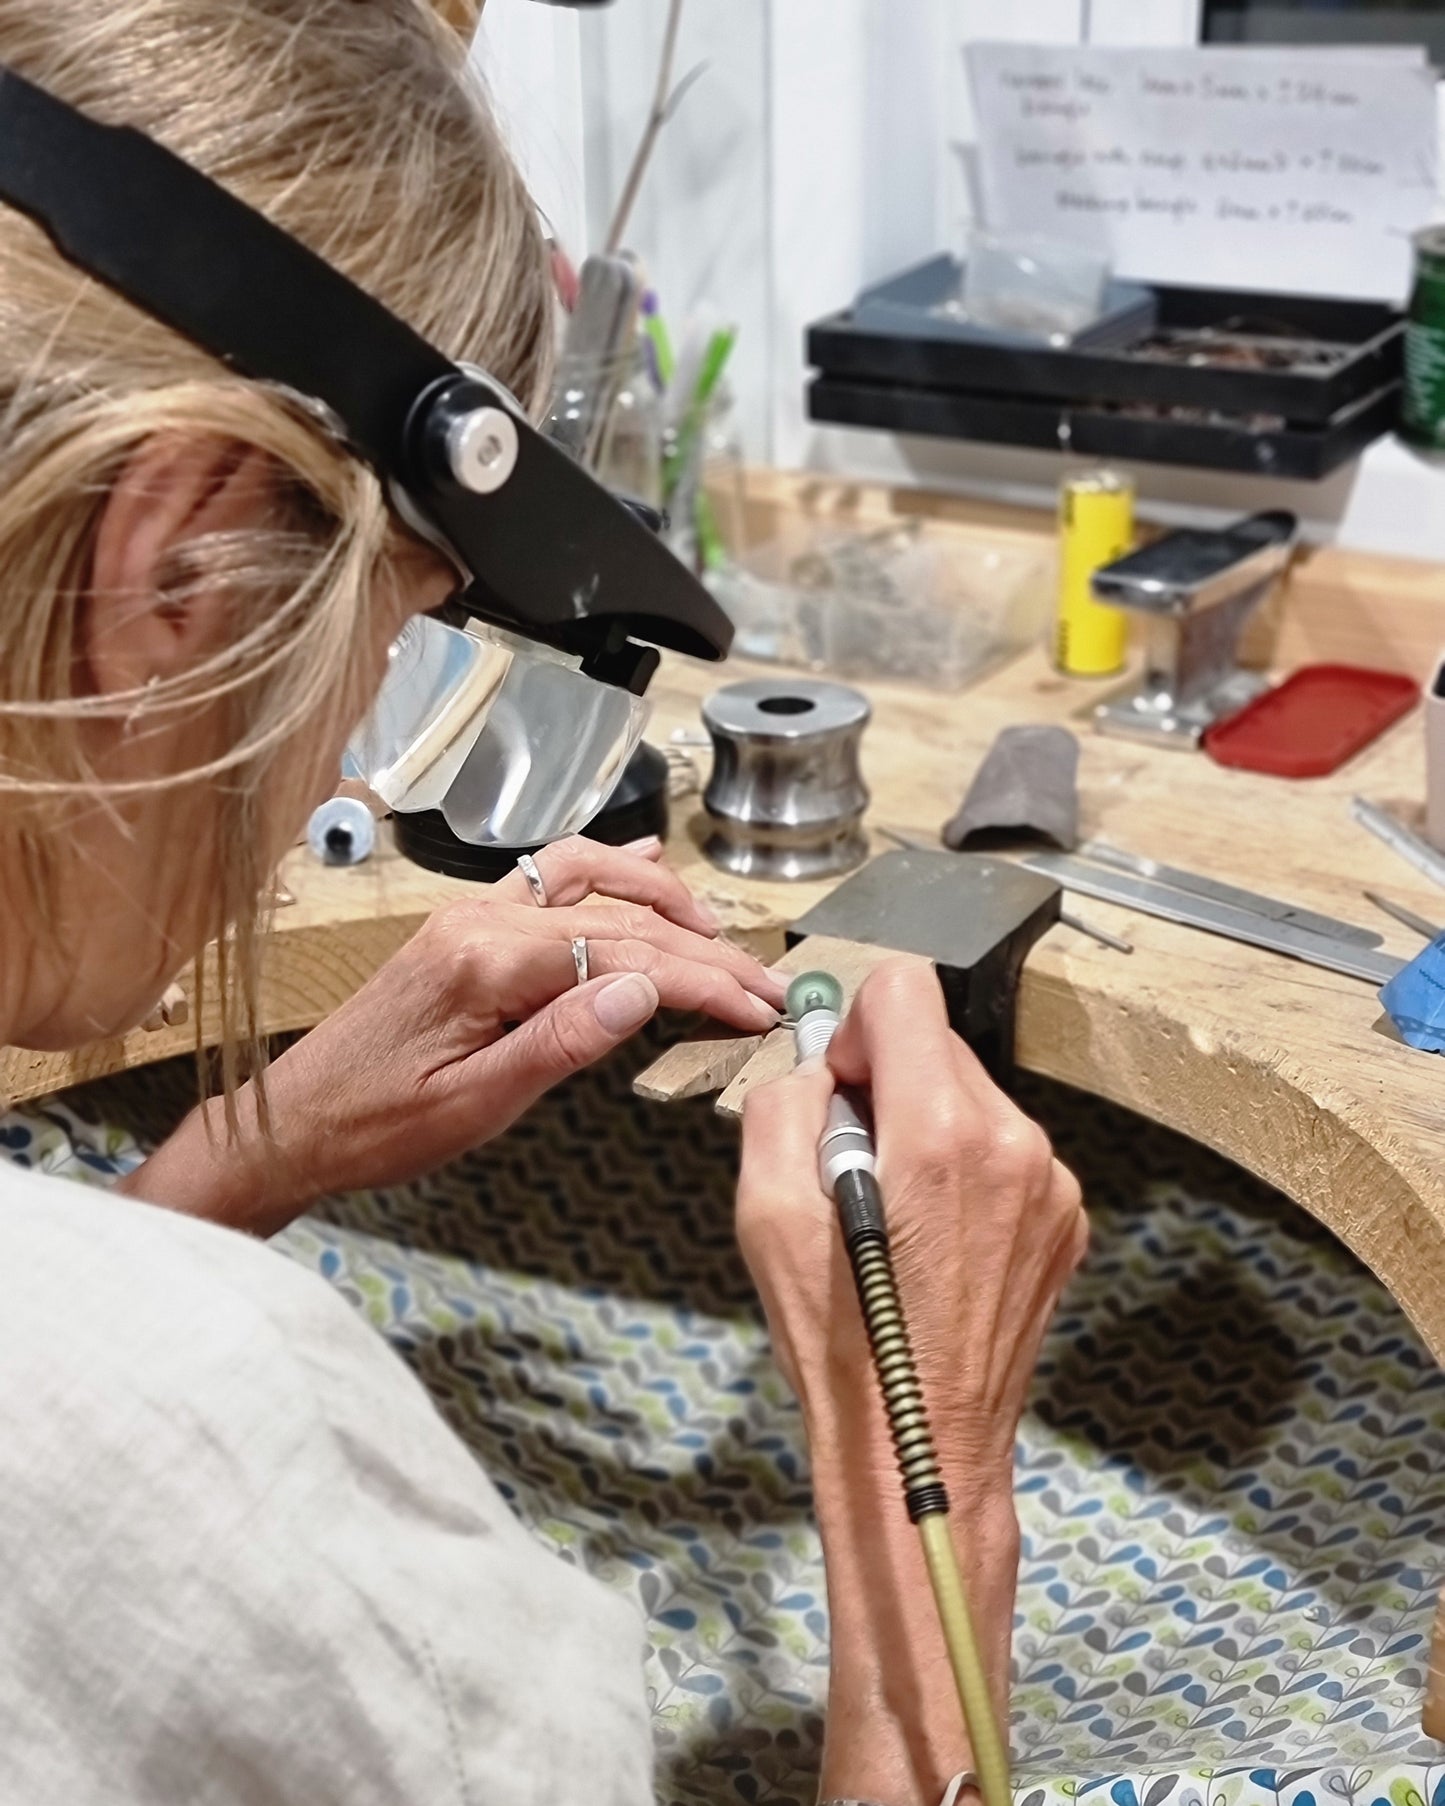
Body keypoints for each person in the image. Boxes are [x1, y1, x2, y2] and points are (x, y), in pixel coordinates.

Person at [0, 3, 1087, 1803]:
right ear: (174, 564)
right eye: (387, 623)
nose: (342, 764)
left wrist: (238, 1157)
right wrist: (939, 1475)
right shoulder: (203, 1414)